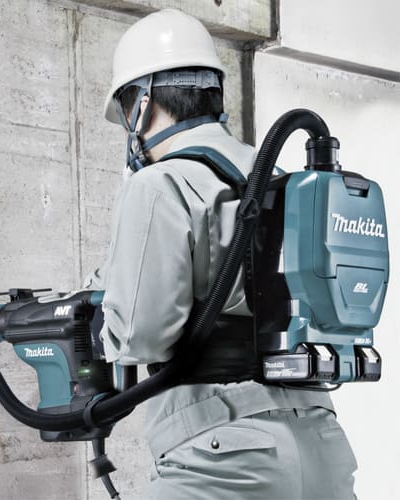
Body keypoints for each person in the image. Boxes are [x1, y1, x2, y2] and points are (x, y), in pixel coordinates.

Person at [84, 8, 357, 500]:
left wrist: (101, 317)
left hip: (224, 456)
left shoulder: (159, 183)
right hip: (322, 443)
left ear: (142, 104)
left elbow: (141, 337)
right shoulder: (280, 180)